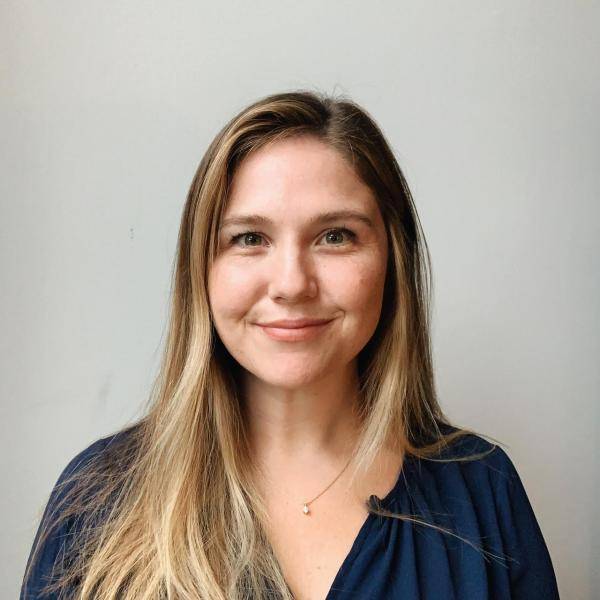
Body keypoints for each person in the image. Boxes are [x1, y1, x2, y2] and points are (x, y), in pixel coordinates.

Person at [20, 90, 560, 600]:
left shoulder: (481, 490)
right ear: (201, 271)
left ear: (392, 261)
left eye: (336, 236)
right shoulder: (98, 501)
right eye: (249, 239)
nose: (292, 284)